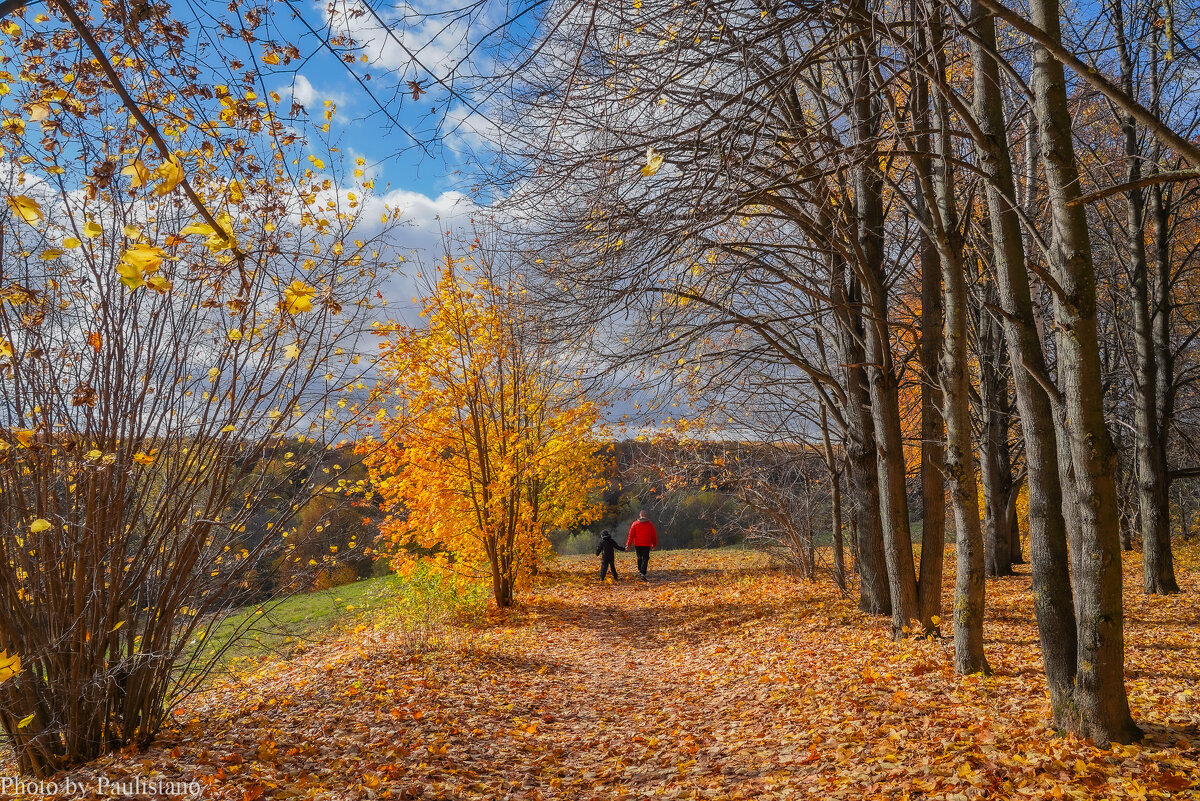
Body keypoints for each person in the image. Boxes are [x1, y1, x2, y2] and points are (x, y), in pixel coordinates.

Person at [625, 510, 658, 580]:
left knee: (639, 558)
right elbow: (654, 535)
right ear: (645, 515)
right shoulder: (650, 524)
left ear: (640, 515)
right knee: (645, 558)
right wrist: (654, 544)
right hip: (646, 544)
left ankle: (640, 571)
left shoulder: (635, 524)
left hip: (638, 544)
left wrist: (628, 545)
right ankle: (643, 572)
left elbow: (630, 536)